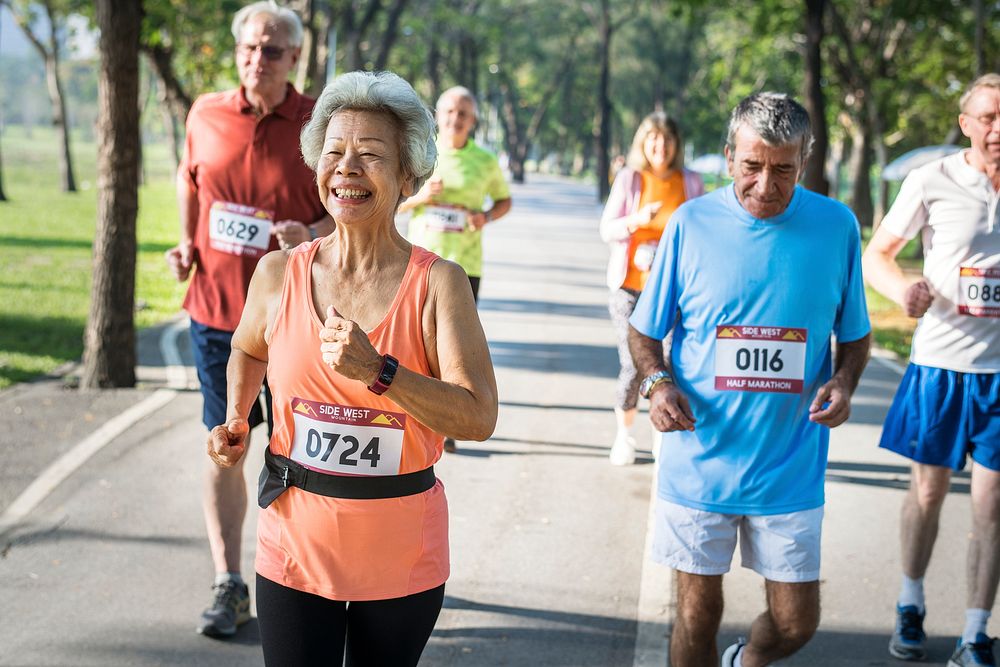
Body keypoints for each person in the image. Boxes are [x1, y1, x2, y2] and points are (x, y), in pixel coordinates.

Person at [207, 70, 498, 667]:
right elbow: (249, 348)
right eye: (334, 153)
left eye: (370, 156)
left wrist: (380, 371)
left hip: (400, 555)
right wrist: (237, 416)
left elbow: (477, 416)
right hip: (293, 543)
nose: (347, 168)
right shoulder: (278, 273)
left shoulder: (439, 285)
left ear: (409, 178)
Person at [628, 92, 872, 666]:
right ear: (728, 155)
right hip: (700, 458)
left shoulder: (836, 227)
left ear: (805, 160)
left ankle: (747, 660)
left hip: (790, 463)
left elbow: (856, 333)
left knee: (795, 623)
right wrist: (658, 383)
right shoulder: (690, 224)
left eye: (783, 170)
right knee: (695, 614)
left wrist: (845, 381)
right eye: (752, 167)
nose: (766, 185)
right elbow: (644, 331)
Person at [164, 0, 333, 638]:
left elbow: (350, 201)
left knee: (296, 454)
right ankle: (229, 583)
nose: (257, 59)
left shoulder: (319, 120)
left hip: (295, 318)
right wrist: (186, 242)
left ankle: (309, 578)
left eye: (271, 50)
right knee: (227, 445)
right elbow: (190, 180)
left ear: (294, 58)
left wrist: (311, 229)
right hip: (214, 313)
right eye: (249, 48)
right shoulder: (206, 112)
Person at [862, 73, 1000, 667]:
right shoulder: (932, 179)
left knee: (992, 506)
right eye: (989, 117)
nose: (999, 128)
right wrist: (903, 291)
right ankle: (910, 600)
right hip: (941, 363)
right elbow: (877, 255)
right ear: (966, 123)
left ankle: (974, 634)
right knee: (928, 491)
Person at [400, 85, 511, 453]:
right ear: (438, 115)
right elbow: (393, 203)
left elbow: (504, 201)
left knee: (451, 348)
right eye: (449, 111)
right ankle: (412, 411)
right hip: (417, 261)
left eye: (463, 113)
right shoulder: (422, 153)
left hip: (464, 266)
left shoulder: (484, 160)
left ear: (472, 120)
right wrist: (421, 197)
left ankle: (446, 422)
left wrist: (484, 216)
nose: (455, 119)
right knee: (413, 340)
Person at [600, 112, 704, 466]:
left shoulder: (690, 181)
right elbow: (607, 229)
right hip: (630, 287)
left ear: (677, 145)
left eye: (668, 140)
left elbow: (700, 232)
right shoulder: (631, 178)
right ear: (643, 144)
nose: (661, 146)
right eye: (654, 139)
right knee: (633, 364)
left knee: (671, 362)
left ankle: (664, 436)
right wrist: (636, 222)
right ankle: (624, 436)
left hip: (675, 291)